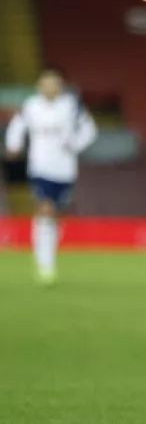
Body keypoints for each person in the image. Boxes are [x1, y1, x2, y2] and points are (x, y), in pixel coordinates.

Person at [4, 69, 98, 285]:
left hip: (64, 170)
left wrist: (74, 144)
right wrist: (13, 144)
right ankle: (44, 265)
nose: (49, 87)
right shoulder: (31, 106)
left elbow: (89, 130)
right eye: (45, 83)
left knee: (55, 216)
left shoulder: (71, 106)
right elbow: (18, 126)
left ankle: (48, 256)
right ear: (39, 86)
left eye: (54, 83)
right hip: (39, 168)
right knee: (44, 209)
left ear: (60, 85)